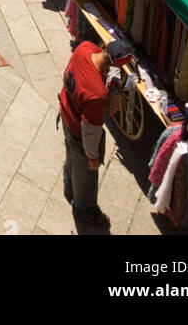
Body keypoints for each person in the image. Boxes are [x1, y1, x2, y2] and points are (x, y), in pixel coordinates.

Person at [59, 37, 133, 230]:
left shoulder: (85, 48)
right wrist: (92, 156)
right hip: (78, 130)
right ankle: (84, 208)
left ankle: (69, 187)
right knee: (86, 173)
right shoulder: (97, 95)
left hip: (65, 112)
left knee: (72, 158)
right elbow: (90, 131)